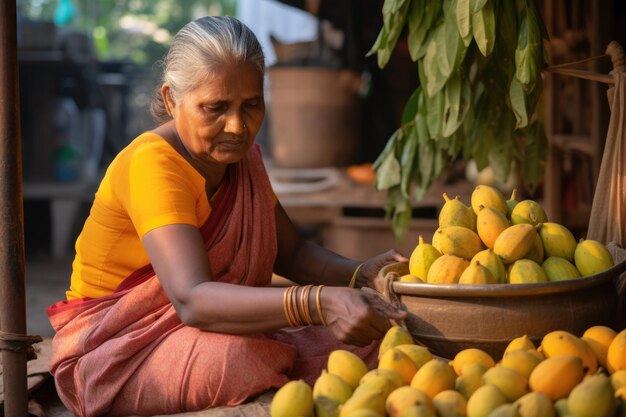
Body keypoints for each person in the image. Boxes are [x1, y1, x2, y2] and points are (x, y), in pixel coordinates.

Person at [46, 15, 407, 417]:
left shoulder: (241, 159)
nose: (237, 126)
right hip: (116, 350)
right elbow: (192, 300)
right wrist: (318, 304)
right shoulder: (153, 164)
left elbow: (294, 254)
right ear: (171, 100)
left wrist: (362, 274)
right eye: (215, 108)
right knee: (242, 359)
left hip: (214, 330)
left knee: (380, 334)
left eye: (251, 105)